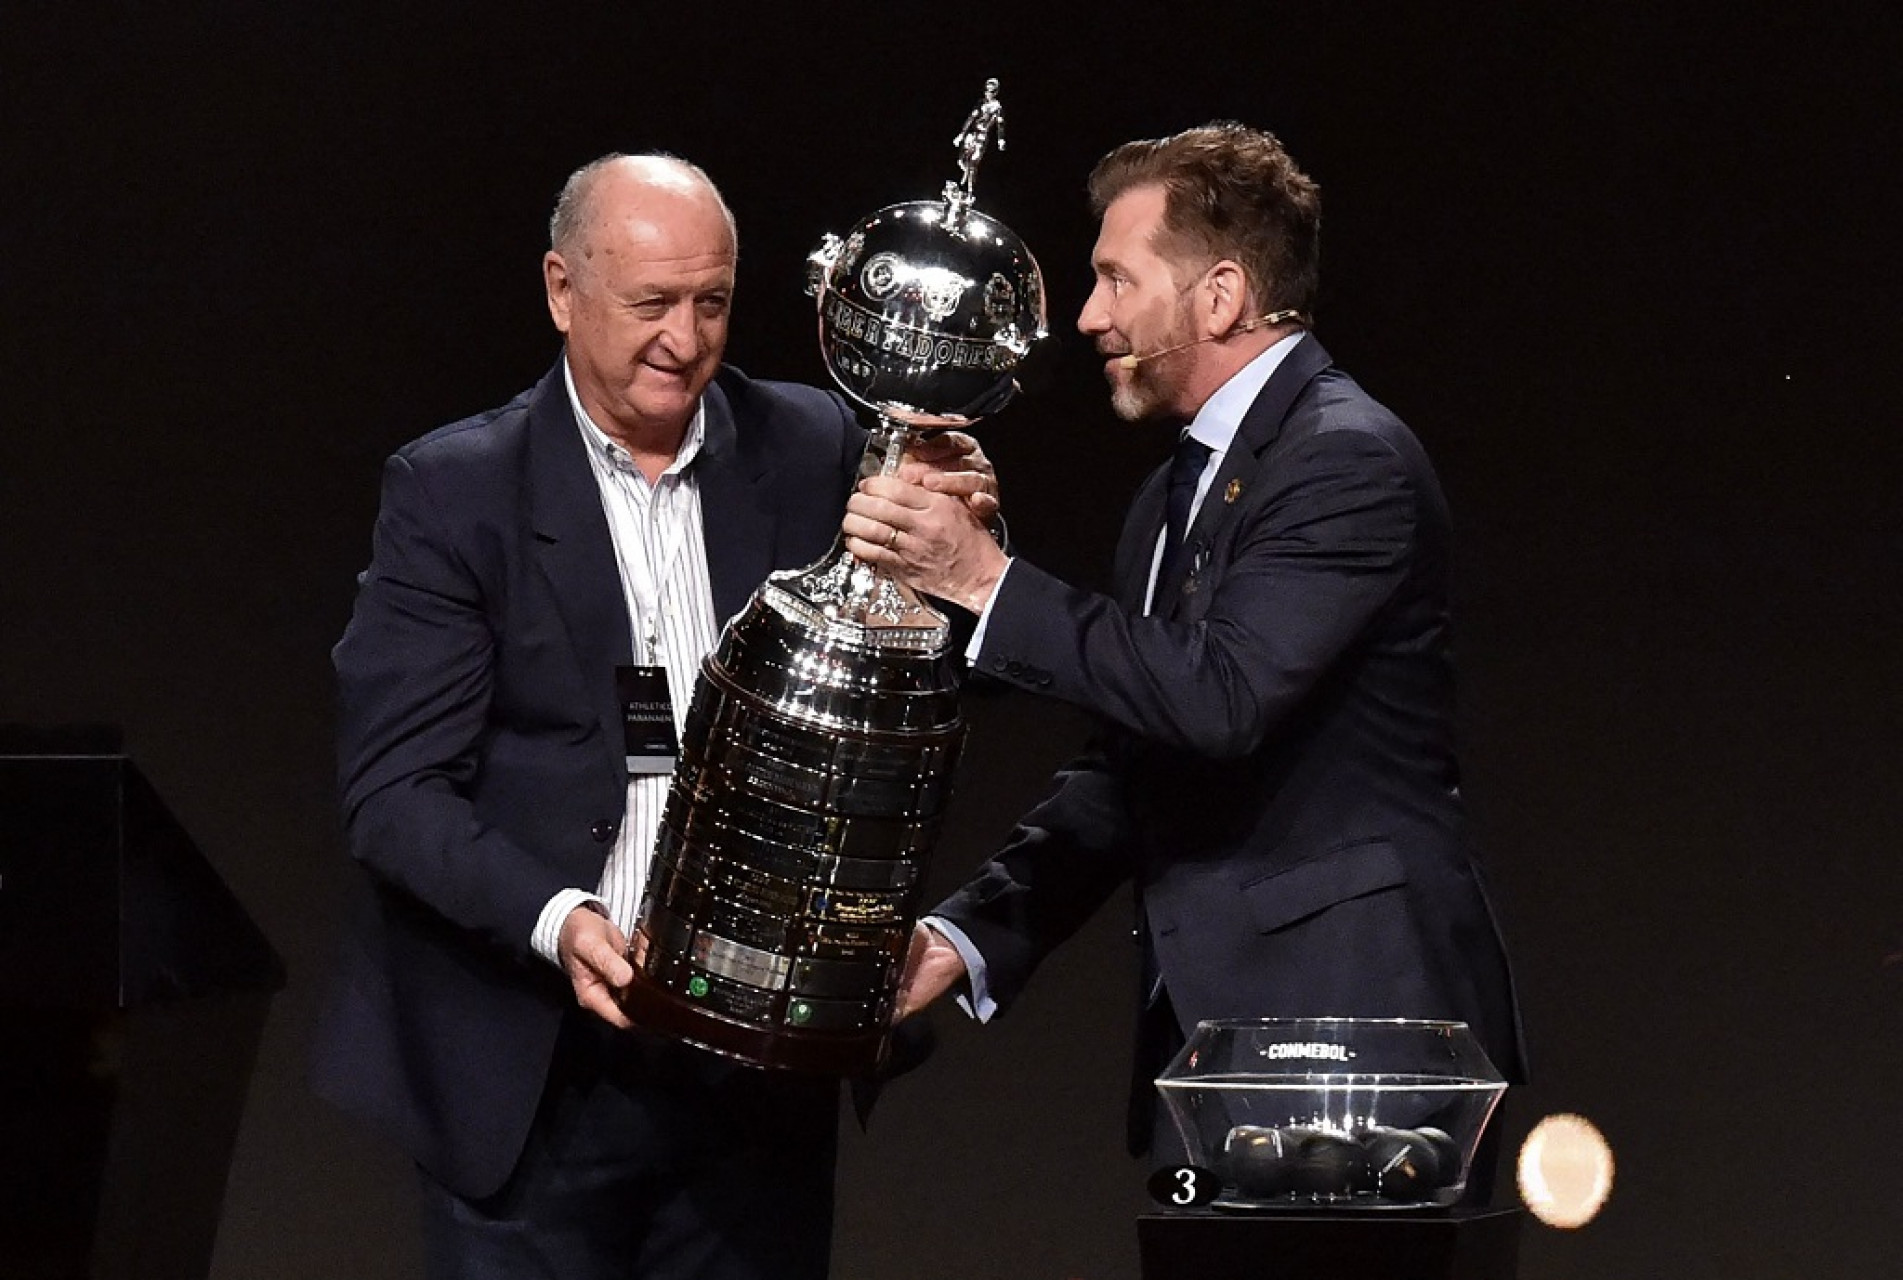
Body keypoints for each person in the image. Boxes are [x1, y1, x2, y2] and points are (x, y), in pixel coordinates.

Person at [312, 153, 992, 1280]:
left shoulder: (820, 448)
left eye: (712, 301)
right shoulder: (454, 490)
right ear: (559, 288)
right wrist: (561, 917)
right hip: (536, 1072)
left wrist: (971, 567)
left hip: (754, 1072)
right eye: (650, 303)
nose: (685, 337)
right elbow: (392, 794)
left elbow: (946, 680)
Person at [842, 122, 1526, 1166]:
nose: (1087, 317)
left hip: (1356, 1039)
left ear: (1218, 296)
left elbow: (1221, 698)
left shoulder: (1346, 462)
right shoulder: (1172, 495)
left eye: (1116, 280)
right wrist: (961, 937)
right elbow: (1132, 761)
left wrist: (982, 578)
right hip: (1220, 1056)